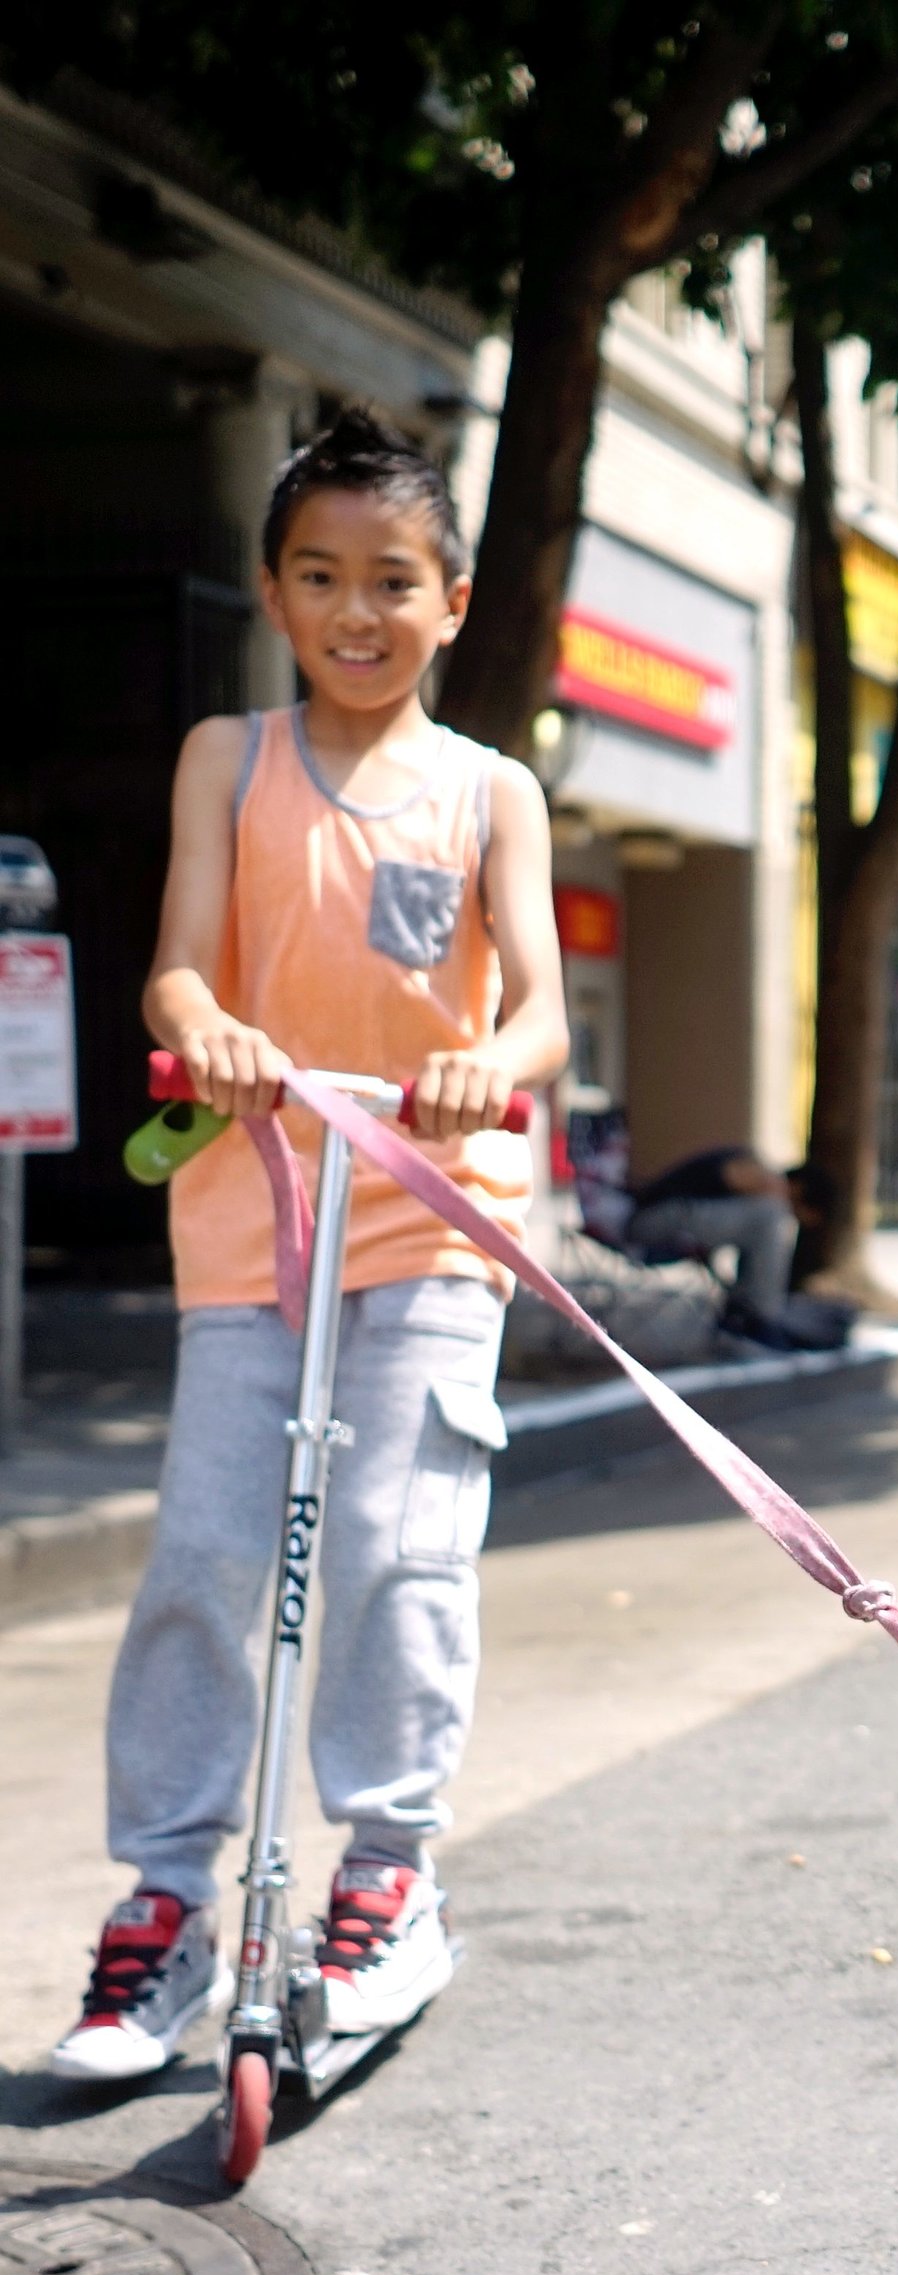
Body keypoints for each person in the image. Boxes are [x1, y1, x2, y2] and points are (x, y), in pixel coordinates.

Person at [51, 409, 569, 2085]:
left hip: (430, 1219)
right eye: (323, 576)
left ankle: (388, 1870)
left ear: (455, 600)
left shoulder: (494, 794)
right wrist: (210, 1029)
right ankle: (166, 1901)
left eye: (393, 581)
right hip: (251, 1210)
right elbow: (178, 970)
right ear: (276, 593)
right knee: (206, 1548)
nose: (359, 611)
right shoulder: (230, 756)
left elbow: (546, 1012)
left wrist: (493, 1059)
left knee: (389, 1552)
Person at [624, 1145, 805, 1341]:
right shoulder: (754, 1173)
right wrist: (772, 1189)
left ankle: (749, 1312)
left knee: (770, 1216)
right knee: (771, 1215)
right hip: (649, 1222)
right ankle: (757, 1317)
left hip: (667, 1223)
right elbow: (739, 1178)